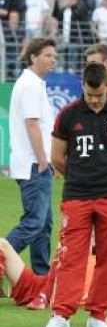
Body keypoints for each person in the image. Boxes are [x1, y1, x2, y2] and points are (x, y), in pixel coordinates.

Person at [41, 62, 107, 327]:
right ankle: (61, 315)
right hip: (77, 196)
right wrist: (77, 178)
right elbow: (57, 157)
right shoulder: (68, 115)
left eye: (99, 95)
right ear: (82, 87)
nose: (94, 100)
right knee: (70, 256)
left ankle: (99, 315)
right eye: (89, 95)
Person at [5, 38, 57, 281]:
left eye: (53, 55)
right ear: (33, 57)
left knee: (43, 224)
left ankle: (41, 276)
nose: (52, 60)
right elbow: (32, 123)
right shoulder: (31, 85)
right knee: (35, 223)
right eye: (47, 55)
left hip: (32, 162)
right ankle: (3, 258)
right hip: (34, 164)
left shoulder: (32, 83)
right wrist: (43, 158)